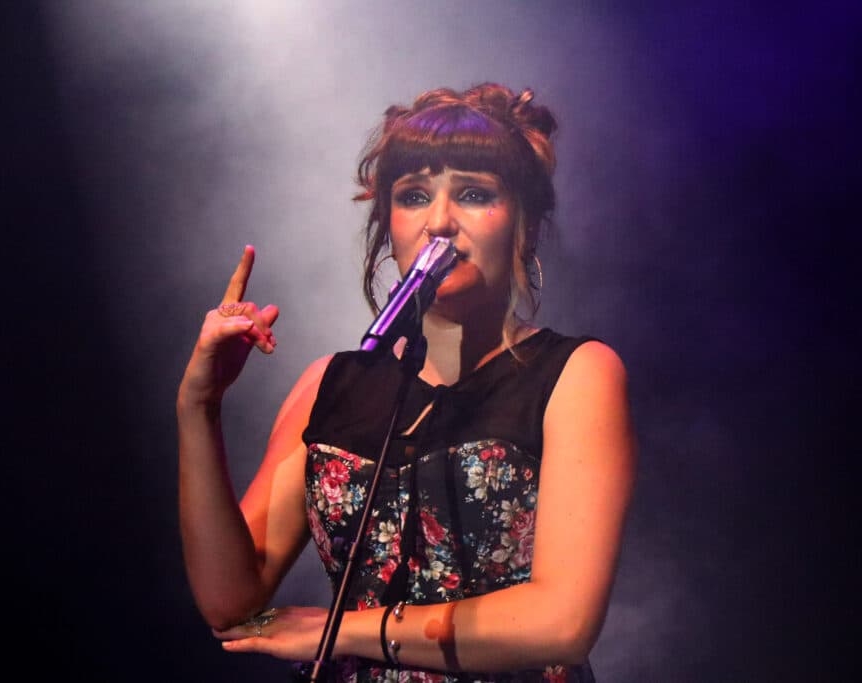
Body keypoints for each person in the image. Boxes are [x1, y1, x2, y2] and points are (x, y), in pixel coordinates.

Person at [178, 83, 635, 682]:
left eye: (474, 194)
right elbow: (229, 604)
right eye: (414, 196)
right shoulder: (329, 385)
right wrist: (201, 406)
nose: (439, 221)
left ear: (522, 223)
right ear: (387, 227)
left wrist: (341, 630)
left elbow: (563, 622)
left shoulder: (576, 375)